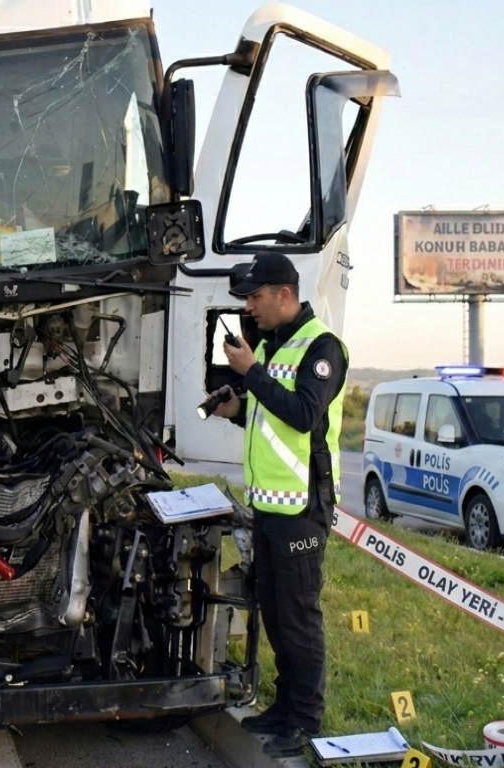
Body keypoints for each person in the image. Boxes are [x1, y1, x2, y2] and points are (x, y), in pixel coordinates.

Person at [208, 251, 348, 759]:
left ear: (284, 294)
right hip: (268, 506)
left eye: (256, 296)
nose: (249, 307)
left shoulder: (322, 347)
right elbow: (269, 417)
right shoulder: (272, 345)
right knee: (273, 612)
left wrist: (254, 376)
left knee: (298, 618)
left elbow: (305, 414)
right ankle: (285, 708)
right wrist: (234, 408)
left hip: (302, 509)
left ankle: (306, 718)